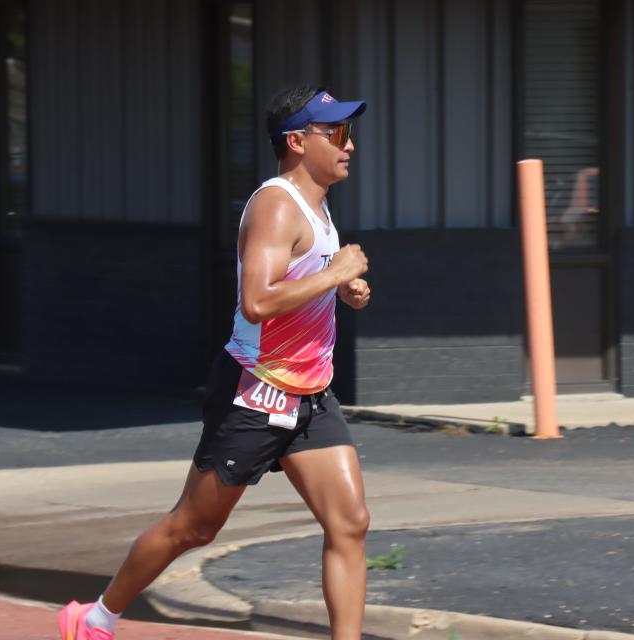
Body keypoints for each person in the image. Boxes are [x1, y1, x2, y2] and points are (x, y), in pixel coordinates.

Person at [58, 85, 372, 640]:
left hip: (309, 394)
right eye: (338, 134)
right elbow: (257, 300)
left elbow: (298, 282)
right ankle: (95, 619)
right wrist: (334, 272)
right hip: (255, 391)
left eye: (349, 133)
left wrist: (341, 289)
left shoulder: (318, 207)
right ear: (297, 142)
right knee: (193, 526)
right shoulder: (276, 204)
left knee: (350, 523)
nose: (350, 146)